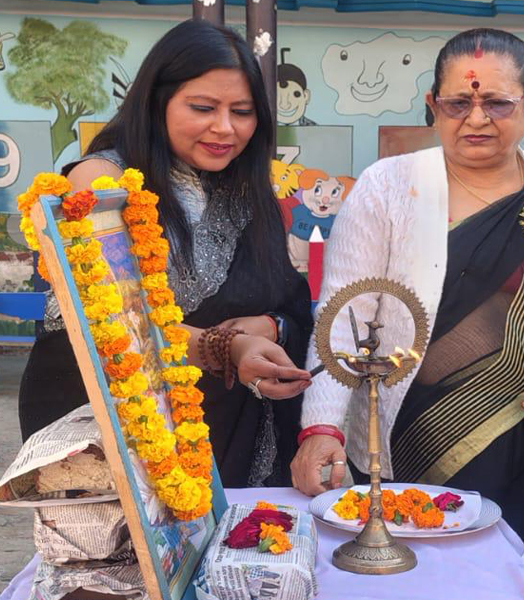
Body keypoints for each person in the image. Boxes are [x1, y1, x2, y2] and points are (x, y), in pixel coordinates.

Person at [290, 28, 524, 591]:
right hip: (403, 423)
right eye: (459, 103)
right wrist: (320, 427)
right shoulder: (387, 186)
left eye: (497, 102)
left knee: (508, 573)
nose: (477, 118)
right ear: (433, 107)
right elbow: (343, 313)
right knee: (407, 574)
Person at [17, 20, 314, 489]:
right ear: (157, 102)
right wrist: (225, 346)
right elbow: (113, 324)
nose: (225, 128)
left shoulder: (244, 186)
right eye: (203, 107)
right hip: (114, 424)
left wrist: (272, 327)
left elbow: (287, 295)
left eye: (243, 111)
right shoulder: (102, 183)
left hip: (223, 427)